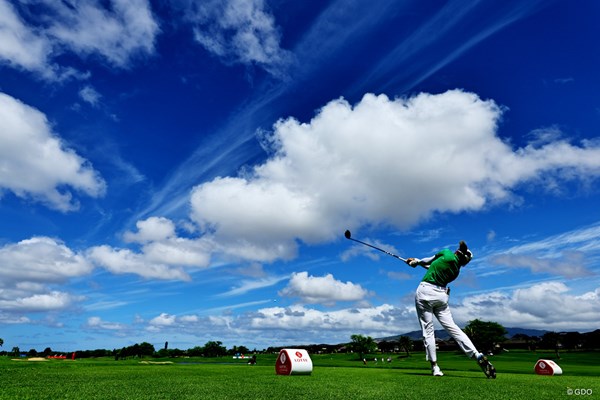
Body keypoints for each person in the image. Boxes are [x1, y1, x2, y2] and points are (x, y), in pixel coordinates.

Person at [406, 240, 496, 378]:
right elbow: (432, 267)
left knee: (428, 331)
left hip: (425, 292)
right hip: (441, 296)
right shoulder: (456, 271)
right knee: (453, 328)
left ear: (457, 252)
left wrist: (416, 262)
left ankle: (435, 367)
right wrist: (417, 263)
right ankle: (476, 354)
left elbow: (428, 261)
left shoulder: (447, 253)